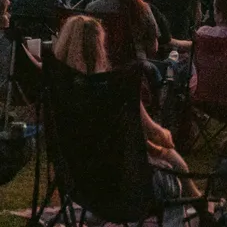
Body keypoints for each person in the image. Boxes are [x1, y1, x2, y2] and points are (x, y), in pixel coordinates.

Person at [52, 14, 195, 196]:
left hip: (76, 180)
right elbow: (154, 133)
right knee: (168, 157)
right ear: (99, 48)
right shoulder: (117, 89)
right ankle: (200, 208)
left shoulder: (57, 89)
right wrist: (164, 137)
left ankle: (201, 206)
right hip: (121, 183)